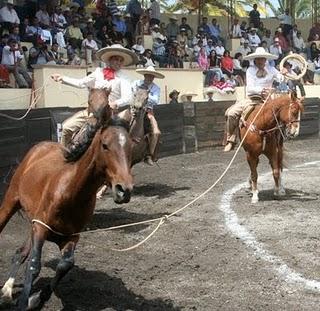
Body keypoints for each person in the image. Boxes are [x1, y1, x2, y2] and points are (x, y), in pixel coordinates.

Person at [51, 44, 138, 149]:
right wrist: (62, 78)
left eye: (120, 60)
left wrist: (115, 103)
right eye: (116, 59)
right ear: (109, 60)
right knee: (66, 127)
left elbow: (128, 97)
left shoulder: (124, 78)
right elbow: (81, 83)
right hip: (91, 112)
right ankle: (64, 154)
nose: (118, 62)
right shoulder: (98, 72)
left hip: (109, 115)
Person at [224, 47, 283, 152]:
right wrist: (263, 90)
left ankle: (281, 139)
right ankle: (231, 140)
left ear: (266, 59)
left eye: (263, 59)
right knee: (231, 113)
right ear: (255, 59)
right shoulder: (250, 70)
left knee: (282, 114)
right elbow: (250, 88)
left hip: (267, 99)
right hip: (251, 99)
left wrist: (283, 74)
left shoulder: (271, 69)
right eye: (259, 59)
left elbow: (280, 78)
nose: (261, 61)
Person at [132, 65, 164, 165]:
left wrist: (145, 94)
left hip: (148, 111)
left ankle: (149, 155)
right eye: (148, 75)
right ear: (144, 75)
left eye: (151, 76)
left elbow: (155, 101)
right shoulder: (135, 83)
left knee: (156, 132)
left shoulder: (156, 88)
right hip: (133, 109)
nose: (149, 78)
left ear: (153, 77)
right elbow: (131, 92)